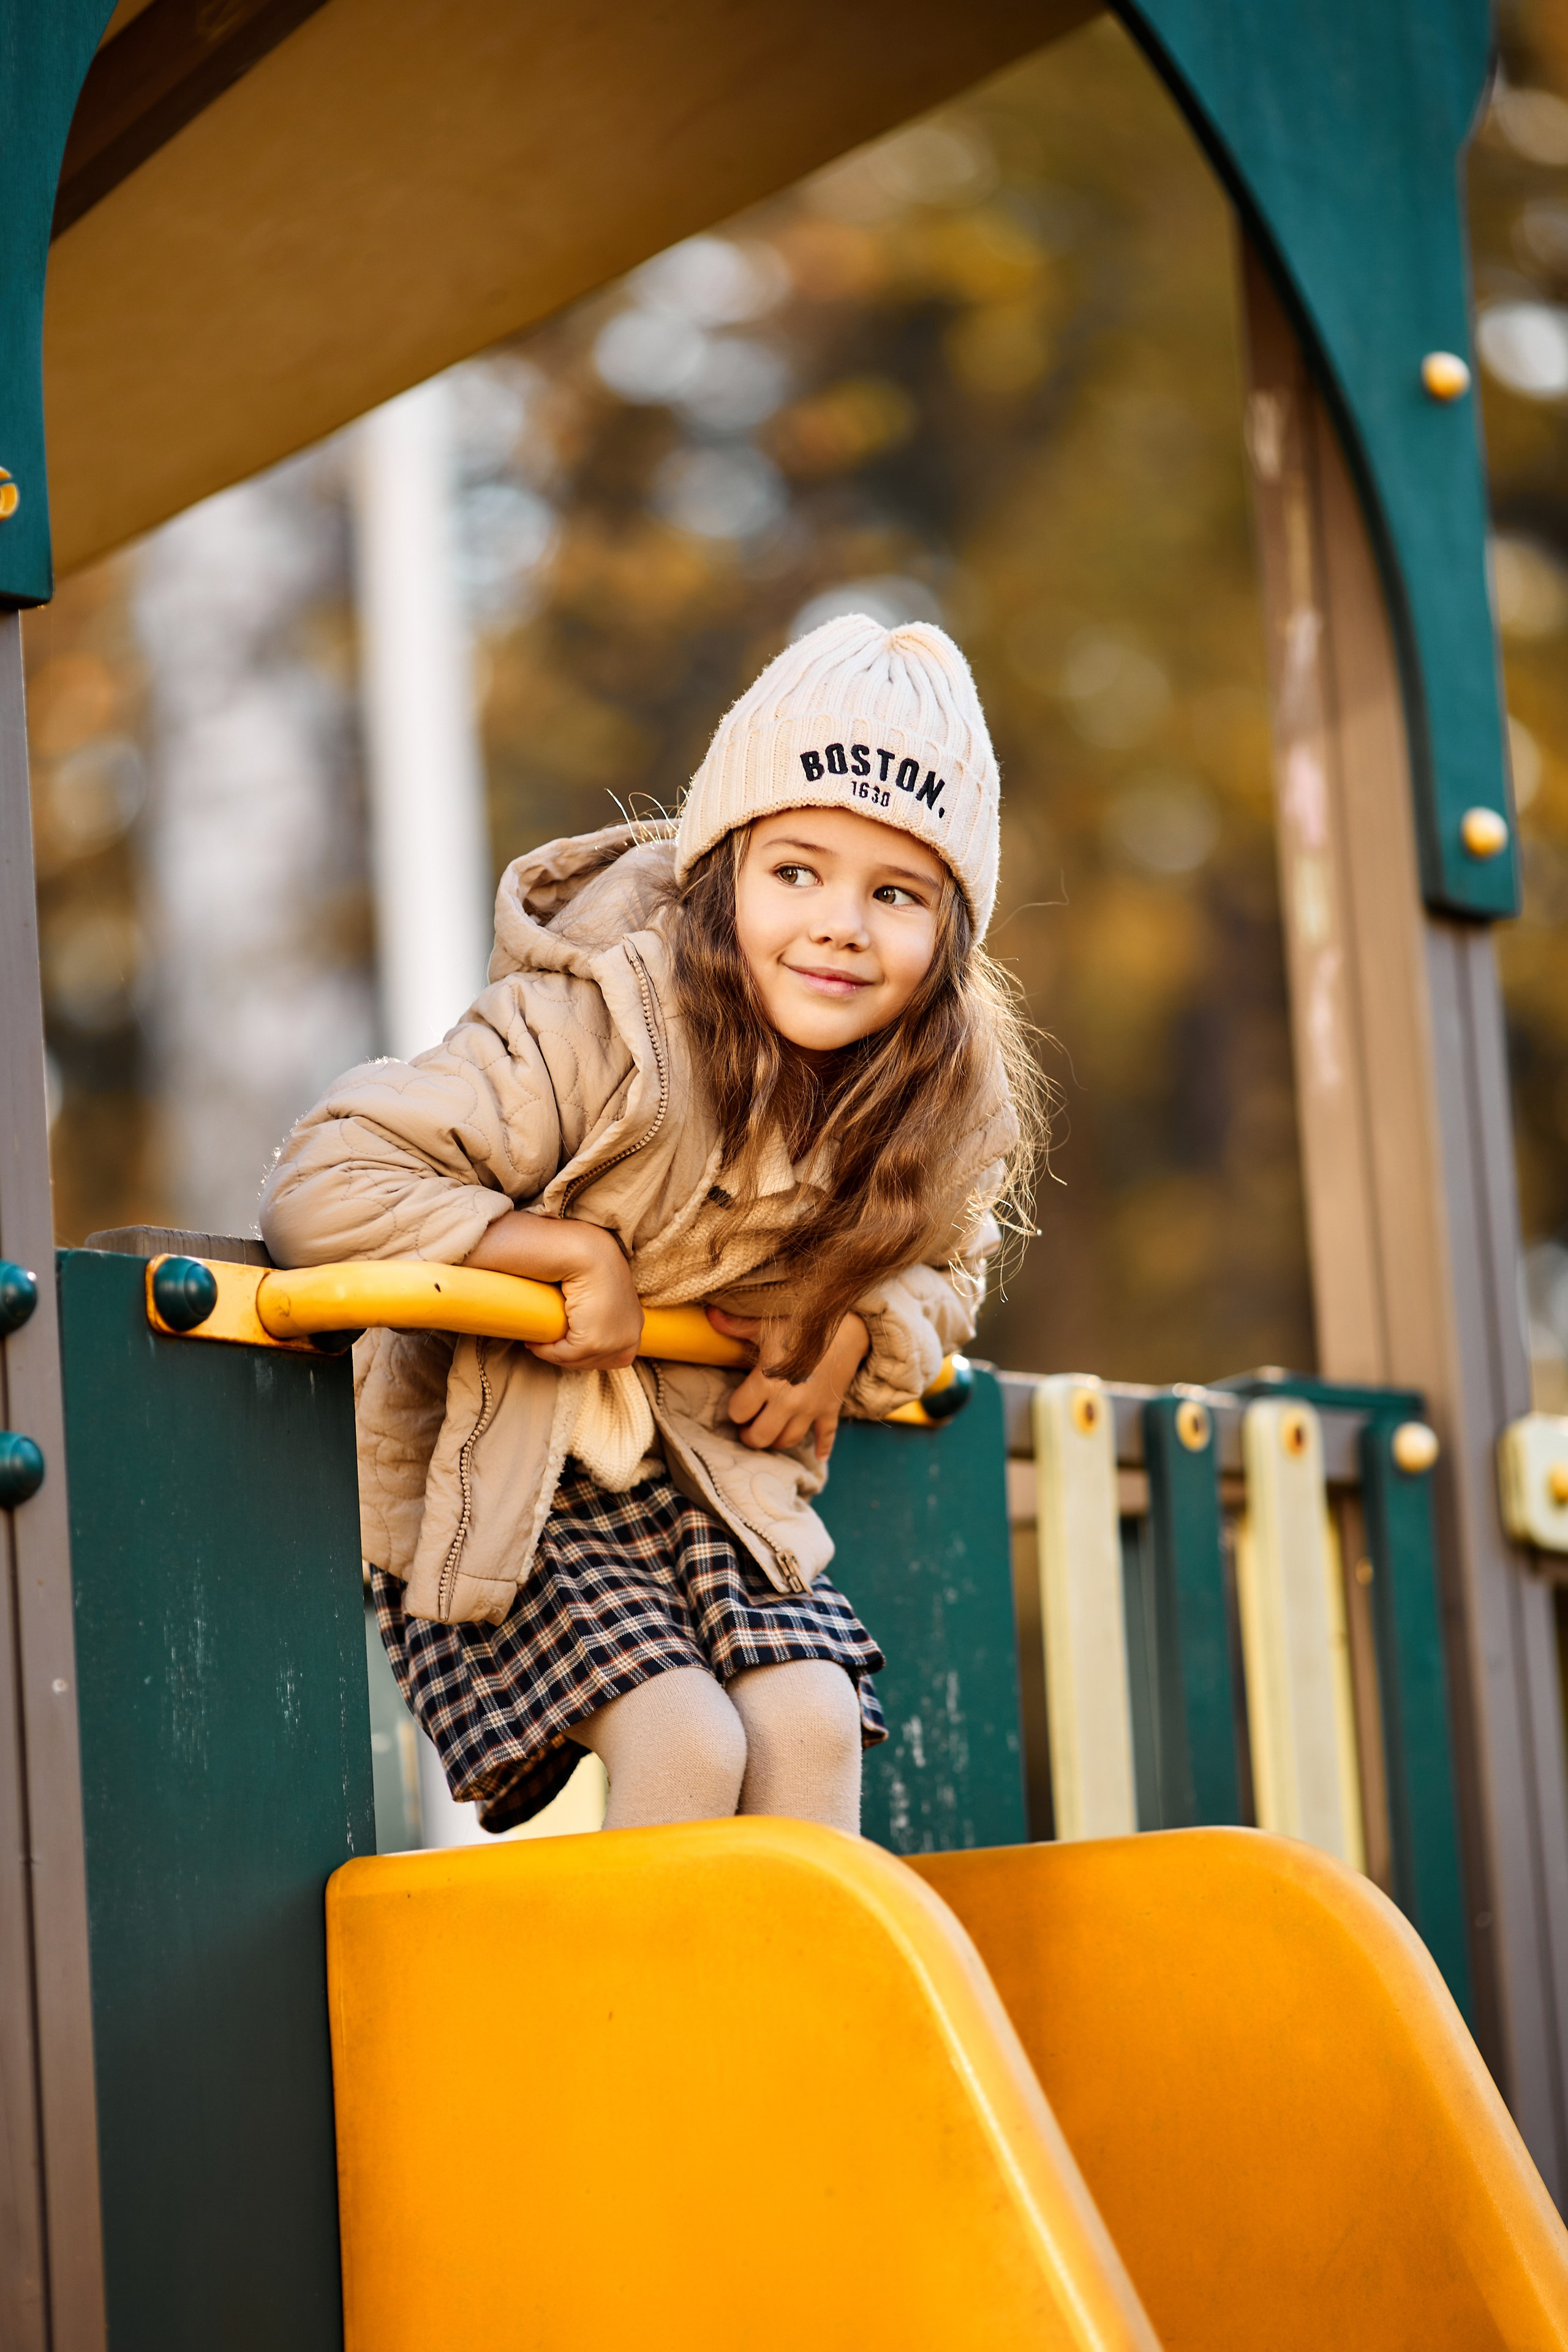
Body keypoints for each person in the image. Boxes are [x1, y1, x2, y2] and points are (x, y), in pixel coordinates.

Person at [260, 613, 1040, 1836]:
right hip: (504, 1465)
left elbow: (948, 1267)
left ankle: (789, 2021)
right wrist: (561, 1250)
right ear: (721, 873)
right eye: (796, 871)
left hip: (706, 1477)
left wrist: (856, 1331)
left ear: (947, 936)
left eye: (894, 893)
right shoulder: (592, 1027)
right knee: (683, 1733)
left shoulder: (934, 1094)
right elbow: (327, 1180)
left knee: (811, 1717)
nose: (840, 923)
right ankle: (650, 2026)